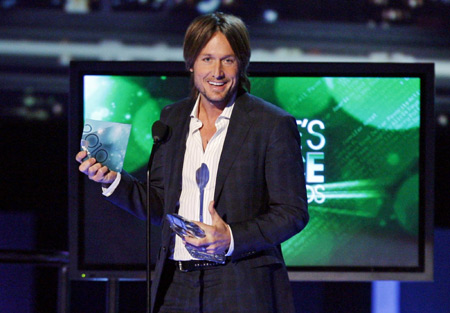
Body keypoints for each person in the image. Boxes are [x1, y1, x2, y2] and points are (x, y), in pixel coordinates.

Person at [76, 12, 308, 313]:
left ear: (242, 63)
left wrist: (231, 237)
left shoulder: (272, 124)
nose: (218, 72)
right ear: (191, 63)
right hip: (176, 284)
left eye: (228, 60)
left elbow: (292, 213)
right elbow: (161, 202)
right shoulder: (172, 118)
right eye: (207, 59)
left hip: (240, 283)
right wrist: (113, 181)